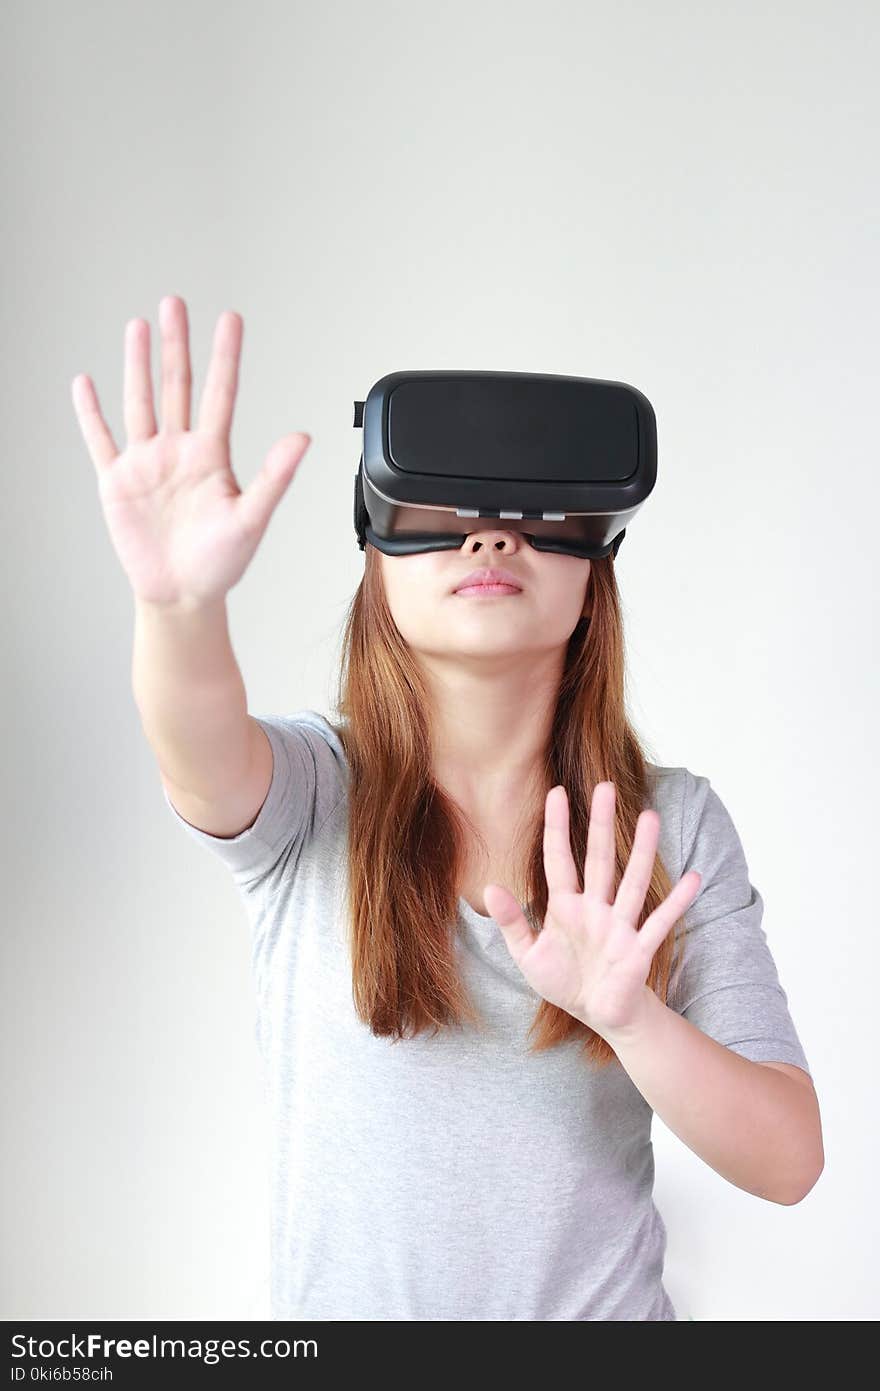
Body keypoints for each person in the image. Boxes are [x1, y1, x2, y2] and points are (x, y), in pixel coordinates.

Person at [72, 295, 824, 1322]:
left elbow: (786, 1158)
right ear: (375, 553)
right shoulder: (313, 792)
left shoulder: (668, 823)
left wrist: (632, 1017)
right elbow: (198, 745)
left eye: (532, 521)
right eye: (444, 516)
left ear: (595, 568)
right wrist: (176, 605)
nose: (489, 538)